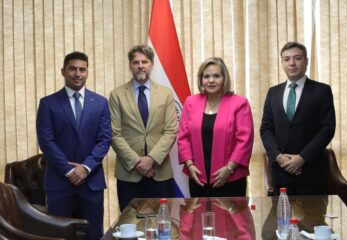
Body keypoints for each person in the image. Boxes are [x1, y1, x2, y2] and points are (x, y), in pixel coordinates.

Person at [36, 51, 112, 240]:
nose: (77, 74)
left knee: (94, 234)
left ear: (87, 72)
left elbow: (105, 139)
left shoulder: (101, 103)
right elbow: (46, 141)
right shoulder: (48, 103)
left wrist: (85, 168)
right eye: (72, 69)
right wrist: (69, 171)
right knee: (59, 236)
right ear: (63, 71)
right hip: (59, 182)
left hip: (91, 182)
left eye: (82, 70)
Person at [260, 41, 336, 196]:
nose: (292, 63)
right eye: (287, 59)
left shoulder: (322, 90)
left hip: (311, 173)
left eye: (297, 58)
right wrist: (278, 156)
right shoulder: (273, 92)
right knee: (280, 220)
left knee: (312, 220)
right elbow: (266, 129)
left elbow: (327, 128)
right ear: (282, 63)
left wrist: (302, 158)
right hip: (280, 173)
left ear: (306, 61)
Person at [109, 45, 178, 211]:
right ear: (130, 65)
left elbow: (171, 131)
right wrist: (137, 162)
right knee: (130, 225)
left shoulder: (166, 93)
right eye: (135, 62)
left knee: (162, 225)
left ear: (152, 64)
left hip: (159, 172)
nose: (140, 65)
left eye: (144, 61)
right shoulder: (117, 95)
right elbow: (114, 133)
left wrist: (151, 159)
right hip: (129, 173)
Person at [177, 57, 254, 197]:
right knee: (199, 218)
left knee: (229, 219)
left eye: (216, 76)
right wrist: (190, 166)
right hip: (197, 178)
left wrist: (229, 169)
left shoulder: (239, 103)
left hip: (230, 179)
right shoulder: (191, 102)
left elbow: (244, 140)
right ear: (201, 80)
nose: (211, 80)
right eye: (206, 76)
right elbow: (183, 137)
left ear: (224, 79)